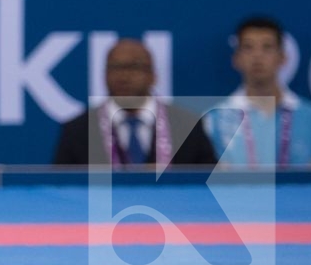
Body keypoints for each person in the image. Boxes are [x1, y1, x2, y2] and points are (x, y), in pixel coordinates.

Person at [52, 38, 220, 169]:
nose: (123, 77)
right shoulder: (78, 130)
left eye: (134, 67)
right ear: (104, 75)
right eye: (115, 68)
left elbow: (208, 186)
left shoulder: (187, 125)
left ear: (153, 76)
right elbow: (62, 193)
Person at [204, 16, 311, 166]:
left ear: (283, 57)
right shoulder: (213, 120)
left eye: (267, 47)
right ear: (236, 59)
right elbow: (200, 179)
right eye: (248, 47)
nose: (257, 56)